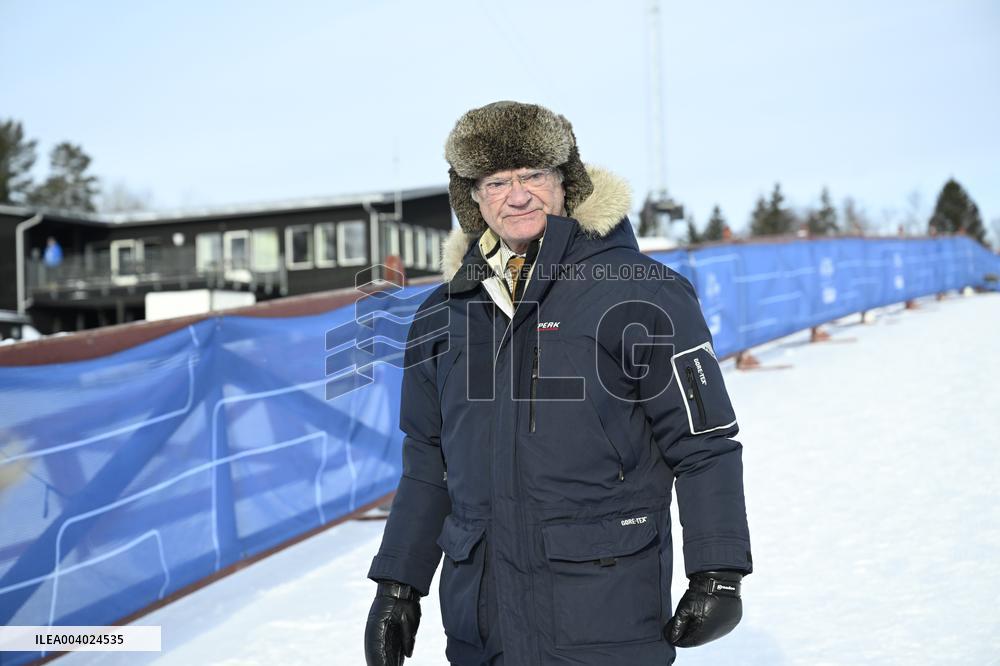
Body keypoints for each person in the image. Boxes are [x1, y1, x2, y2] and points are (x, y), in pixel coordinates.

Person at [365, 101, 752, 666]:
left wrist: (718, 571)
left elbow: (704, 444)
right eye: (496, 181)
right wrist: (398, 584)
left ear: (566, 183)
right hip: (483, 624)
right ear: (472, 198)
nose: (517, 196)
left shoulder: (640, 292)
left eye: (533, 176)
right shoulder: (442, 315)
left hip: (602, 613)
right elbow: (428, 462)